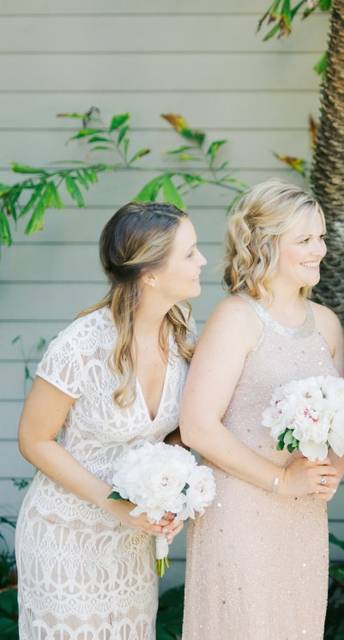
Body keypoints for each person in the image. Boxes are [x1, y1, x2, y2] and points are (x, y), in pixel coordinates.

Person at [17, 202, 205, 639]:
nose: (202, 261)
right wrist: (113, 501)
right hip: (65, 539)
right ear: (151, 273)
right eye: (190, 253)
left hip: (131, 546)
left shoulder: (181, 332)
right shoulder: (80, 346)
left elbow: (174, 430)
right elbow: (34, 439)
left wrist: (169, 490)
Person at [180, 180, 344, 639]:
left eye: (322, 237)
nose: (320, 250)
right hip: (241, 511)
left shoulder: (327, 324)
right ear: (268, 244)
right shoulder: (237, 318)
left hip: (305, 516)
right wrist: (281, 480)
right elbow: (197, 426)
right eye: (306, 240)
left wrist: (334, 469)